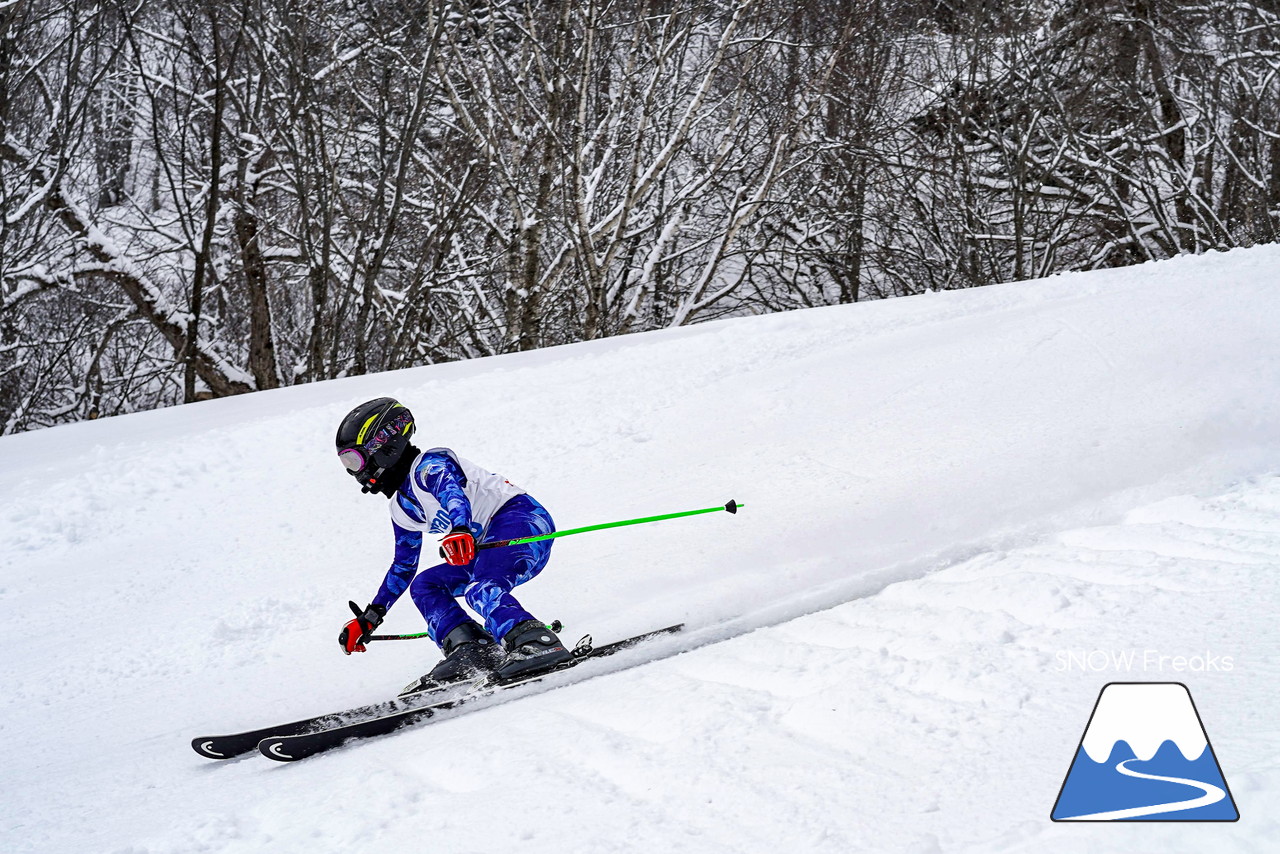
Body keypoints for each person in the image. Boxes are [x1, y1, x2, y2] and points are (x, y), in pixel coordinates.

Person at [333, 397, 571, 693]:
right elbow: (403, 566)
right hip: (483, 544)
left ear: (384, 448)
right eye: (346, 463)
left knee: (479, 589)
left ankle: (537, 643)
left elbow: (451, 495)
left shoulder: (430, 467)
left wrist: (460, 529)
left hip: (521, 522)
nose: (353, 472)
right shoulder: (402, 508)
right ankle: (471, 651)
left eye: (354, 460)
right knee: (425, 585)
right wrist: (372, 616)